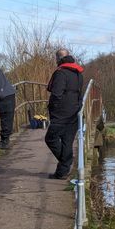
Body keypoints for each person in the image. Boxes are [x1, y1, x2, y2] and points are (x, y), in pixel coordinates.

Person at [45, 49, 84, 180]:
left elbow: (56, 94)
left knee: (50, 138)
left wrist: (52, 107)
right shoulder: (78, 72)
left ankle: (66, 162)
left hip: (61, 113)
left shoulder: (61, 73)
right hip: (74, 111)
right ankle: (62, 172)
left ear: (58, 58)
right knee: (67, 141)